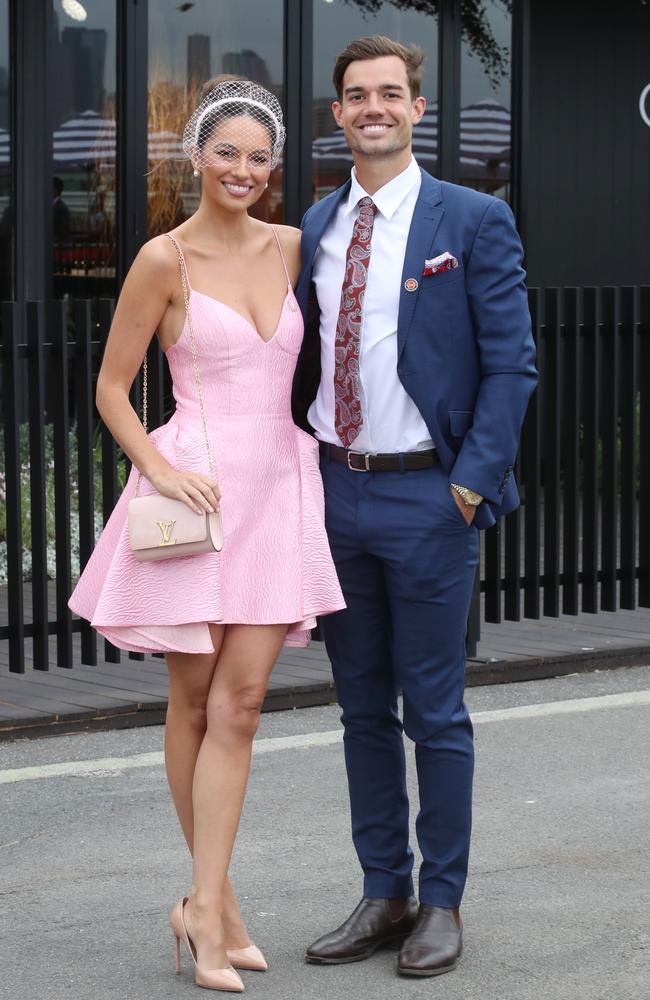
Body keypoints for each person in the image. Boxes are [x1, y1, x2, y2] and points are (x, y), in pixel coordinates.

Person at [69, 78, 344, 993]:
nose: (242, 170)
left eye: (259, 157)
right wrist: (158, 467)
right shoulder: (164, 258)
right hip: (197, 492)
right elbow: (113, 389)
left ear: (275, 169)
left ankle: (204, 903)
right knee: (194, 704)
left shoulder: (299, 247)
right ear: (194, 158)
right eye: (225, 153)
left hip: (281, 487)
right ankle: (212, 909)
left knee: (245, 702)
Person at [294, 36, 538, 979]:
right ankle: (382, 891)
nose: (373, 109)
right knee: (359, 709)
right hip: (335, 495)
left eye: (389, 94)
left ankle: (442, 902)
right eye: (356, 96)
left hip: (428, 496)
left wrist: (467, 485)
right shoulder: (316, 223)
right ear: (340, 112)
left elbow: (513, 365)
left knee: (433, 712)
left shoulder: (472, 219)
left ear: (418, 108)